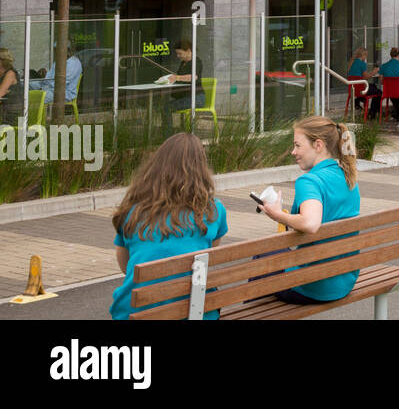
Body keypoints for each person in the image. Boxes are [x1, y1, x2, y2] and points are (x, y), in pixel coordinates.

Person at [110, 133, 227, 320]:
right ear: (202, 169)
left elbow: (126, 267)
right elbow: (206, 256)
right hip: (195, 314)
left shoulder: (131, 212)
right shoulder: (214, 210)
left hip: (134, 313)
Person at [256, 117, 361, 306]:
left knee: (262, 255)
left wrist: (277, 214)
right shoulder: (348, 176)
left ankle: (251, 311)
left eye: (298, 145)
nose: (293, 152)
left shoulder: (309, 181)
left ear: (318, 145)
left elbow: (310, 223)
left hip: (313, 287)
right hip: (344, 280)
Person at [159, 39, 203, 131]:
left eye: (180, 53)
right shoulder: (183, 63)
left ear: (188, 51)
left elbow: (193, 77)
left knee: (166, 107)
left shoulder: (196, 62)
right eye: (177, 53)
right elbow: (180, 77)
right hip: (186, 96)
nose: (178, 56)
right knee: (165, 105)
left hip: (195, 98)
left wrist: (177, 78)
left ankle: (167, 134)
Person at [375, 47, 399, 119]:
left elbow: (382, 82)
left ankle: (397, 111)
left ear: (391, 55)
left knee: (395, 96)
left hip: (389, 92)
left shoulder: (383, 66)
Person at [0, 48, 22, 124]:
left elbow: (0, 93)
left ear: (2, 61)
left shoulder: (10, 74)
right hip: (4, 108)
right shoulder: (2, 74)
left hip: (12, 112)